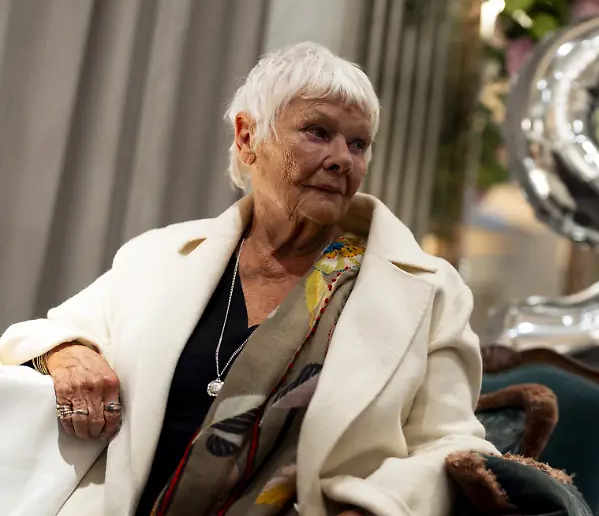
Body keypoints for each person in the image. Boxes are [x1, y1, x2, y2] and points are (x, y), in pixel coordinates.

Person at [0, 42, 498, 516]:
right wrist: (70, 354)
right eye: (318, 132)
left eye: (358, 143)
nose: (342, 158)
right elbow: (41, 333)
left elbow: (452, 445)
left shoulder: (427, 290)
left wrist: (376, 506)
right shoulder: (158, 257)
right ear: (247, 137)